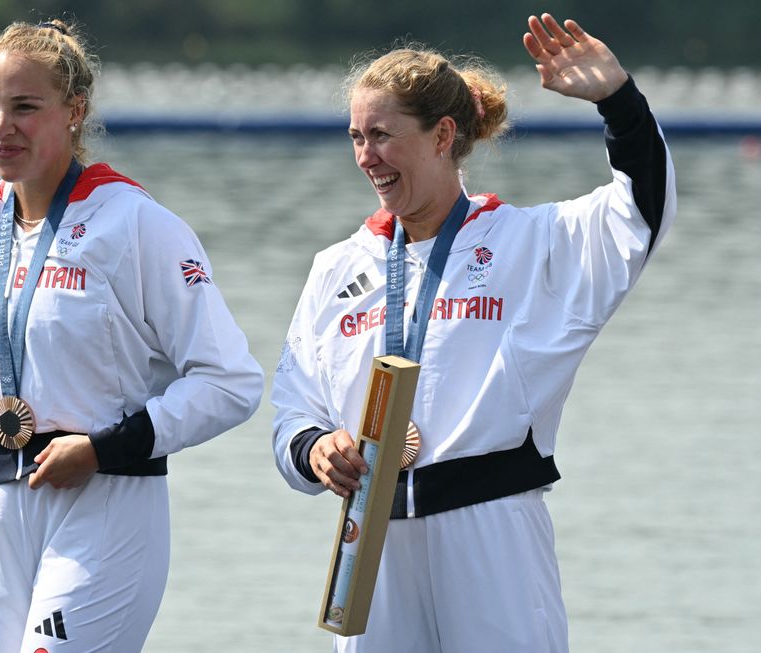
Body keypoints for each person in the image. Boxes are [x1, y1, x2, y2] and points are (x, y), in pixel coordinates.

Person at [271, 13, 676, 653]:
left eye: (381, 135)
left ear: (443, 136)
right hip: (370, 543)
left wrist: (618, 102)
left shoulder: (530, 241)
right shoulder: (336, 267)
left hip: (489, 531)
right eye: (355, 136)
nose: (365, 156)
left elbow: (640, 213)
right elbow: (292, 406)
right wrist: (314, 448)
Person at [0, 18, 263, 653]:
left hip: (107, 504)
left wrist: (105, 447)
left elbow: (232, 382)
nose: (2, 127)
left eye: (24, 107)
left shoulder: (136, 222)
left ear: (74, 112)